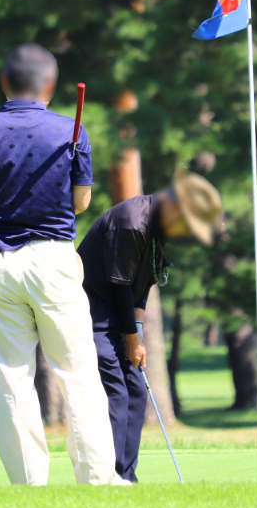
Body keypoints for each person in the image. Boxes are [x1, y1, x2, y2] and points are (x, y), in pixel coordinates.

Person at [0, 43, 120, 486]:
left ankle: (28, 484)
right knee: (78, 373)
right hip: (54, 263)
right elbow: (81, 202)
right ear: (50, 85)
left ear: (5, 82)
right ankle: (98, 479)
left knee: (11, 378)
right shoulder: (70, 130)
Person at [77, 167, 222, 483]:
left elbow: (142, 284)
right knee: (116, 391)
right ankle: (109, 477)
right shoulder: (131, 223)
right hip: (91, 311)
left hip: (119, 312)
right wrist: (131, 337)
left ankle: (126, 476)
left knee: (136, 393)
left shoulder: (158, 229)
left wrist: (137, 332)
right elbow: (118, 284)